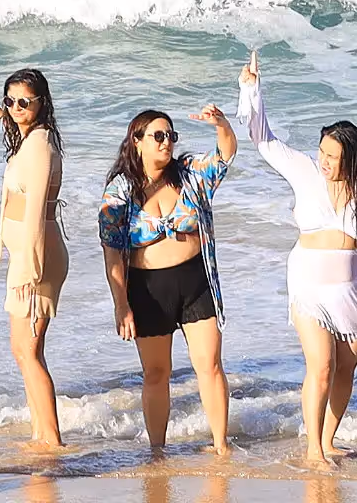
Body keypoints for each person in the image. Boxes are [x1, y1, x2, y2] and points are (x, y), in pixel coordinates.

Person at [236, 51, 357, 466]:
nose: (324, 161)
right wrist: (251, 89)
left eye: (332, 156)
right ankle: (313, 449)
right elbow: (264, 140)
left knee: (346, 368)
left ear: (352, 158)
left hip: (352, 289)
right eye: (322, 152)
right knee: (322, 364)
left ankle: (329, 440)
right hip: (309, 285)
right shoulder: (304, 171)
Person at [98, 104, 238, 455]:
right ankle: (157, 451)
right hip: (148, 289)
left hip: (196, 282)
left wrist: (221, 124)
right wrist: (121, 305)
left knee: (210, 365)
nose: (166, 142)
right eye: (157, 136)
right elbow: (112, 252)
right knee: (157, 374)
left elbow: (225, 155)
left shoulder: (189, 174)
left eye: (170, 136)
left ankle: (221, 446)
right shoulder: (121, 191)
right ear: (137, 141)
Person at [0, 67, 69, 448]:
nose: (15, 107)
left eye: (23, 102)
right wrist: (0, 115)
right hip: (29, 255)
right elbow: (22, 146)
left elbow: (34, 210)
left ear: (41, 104)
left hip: (37, 257)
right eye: (10, 100)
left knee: (28, 349)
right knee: (24, 349)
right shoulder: (31, 138)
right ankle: (40, 434)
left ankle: (51, 439)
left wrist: (30, 265)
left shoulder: (42, 143)